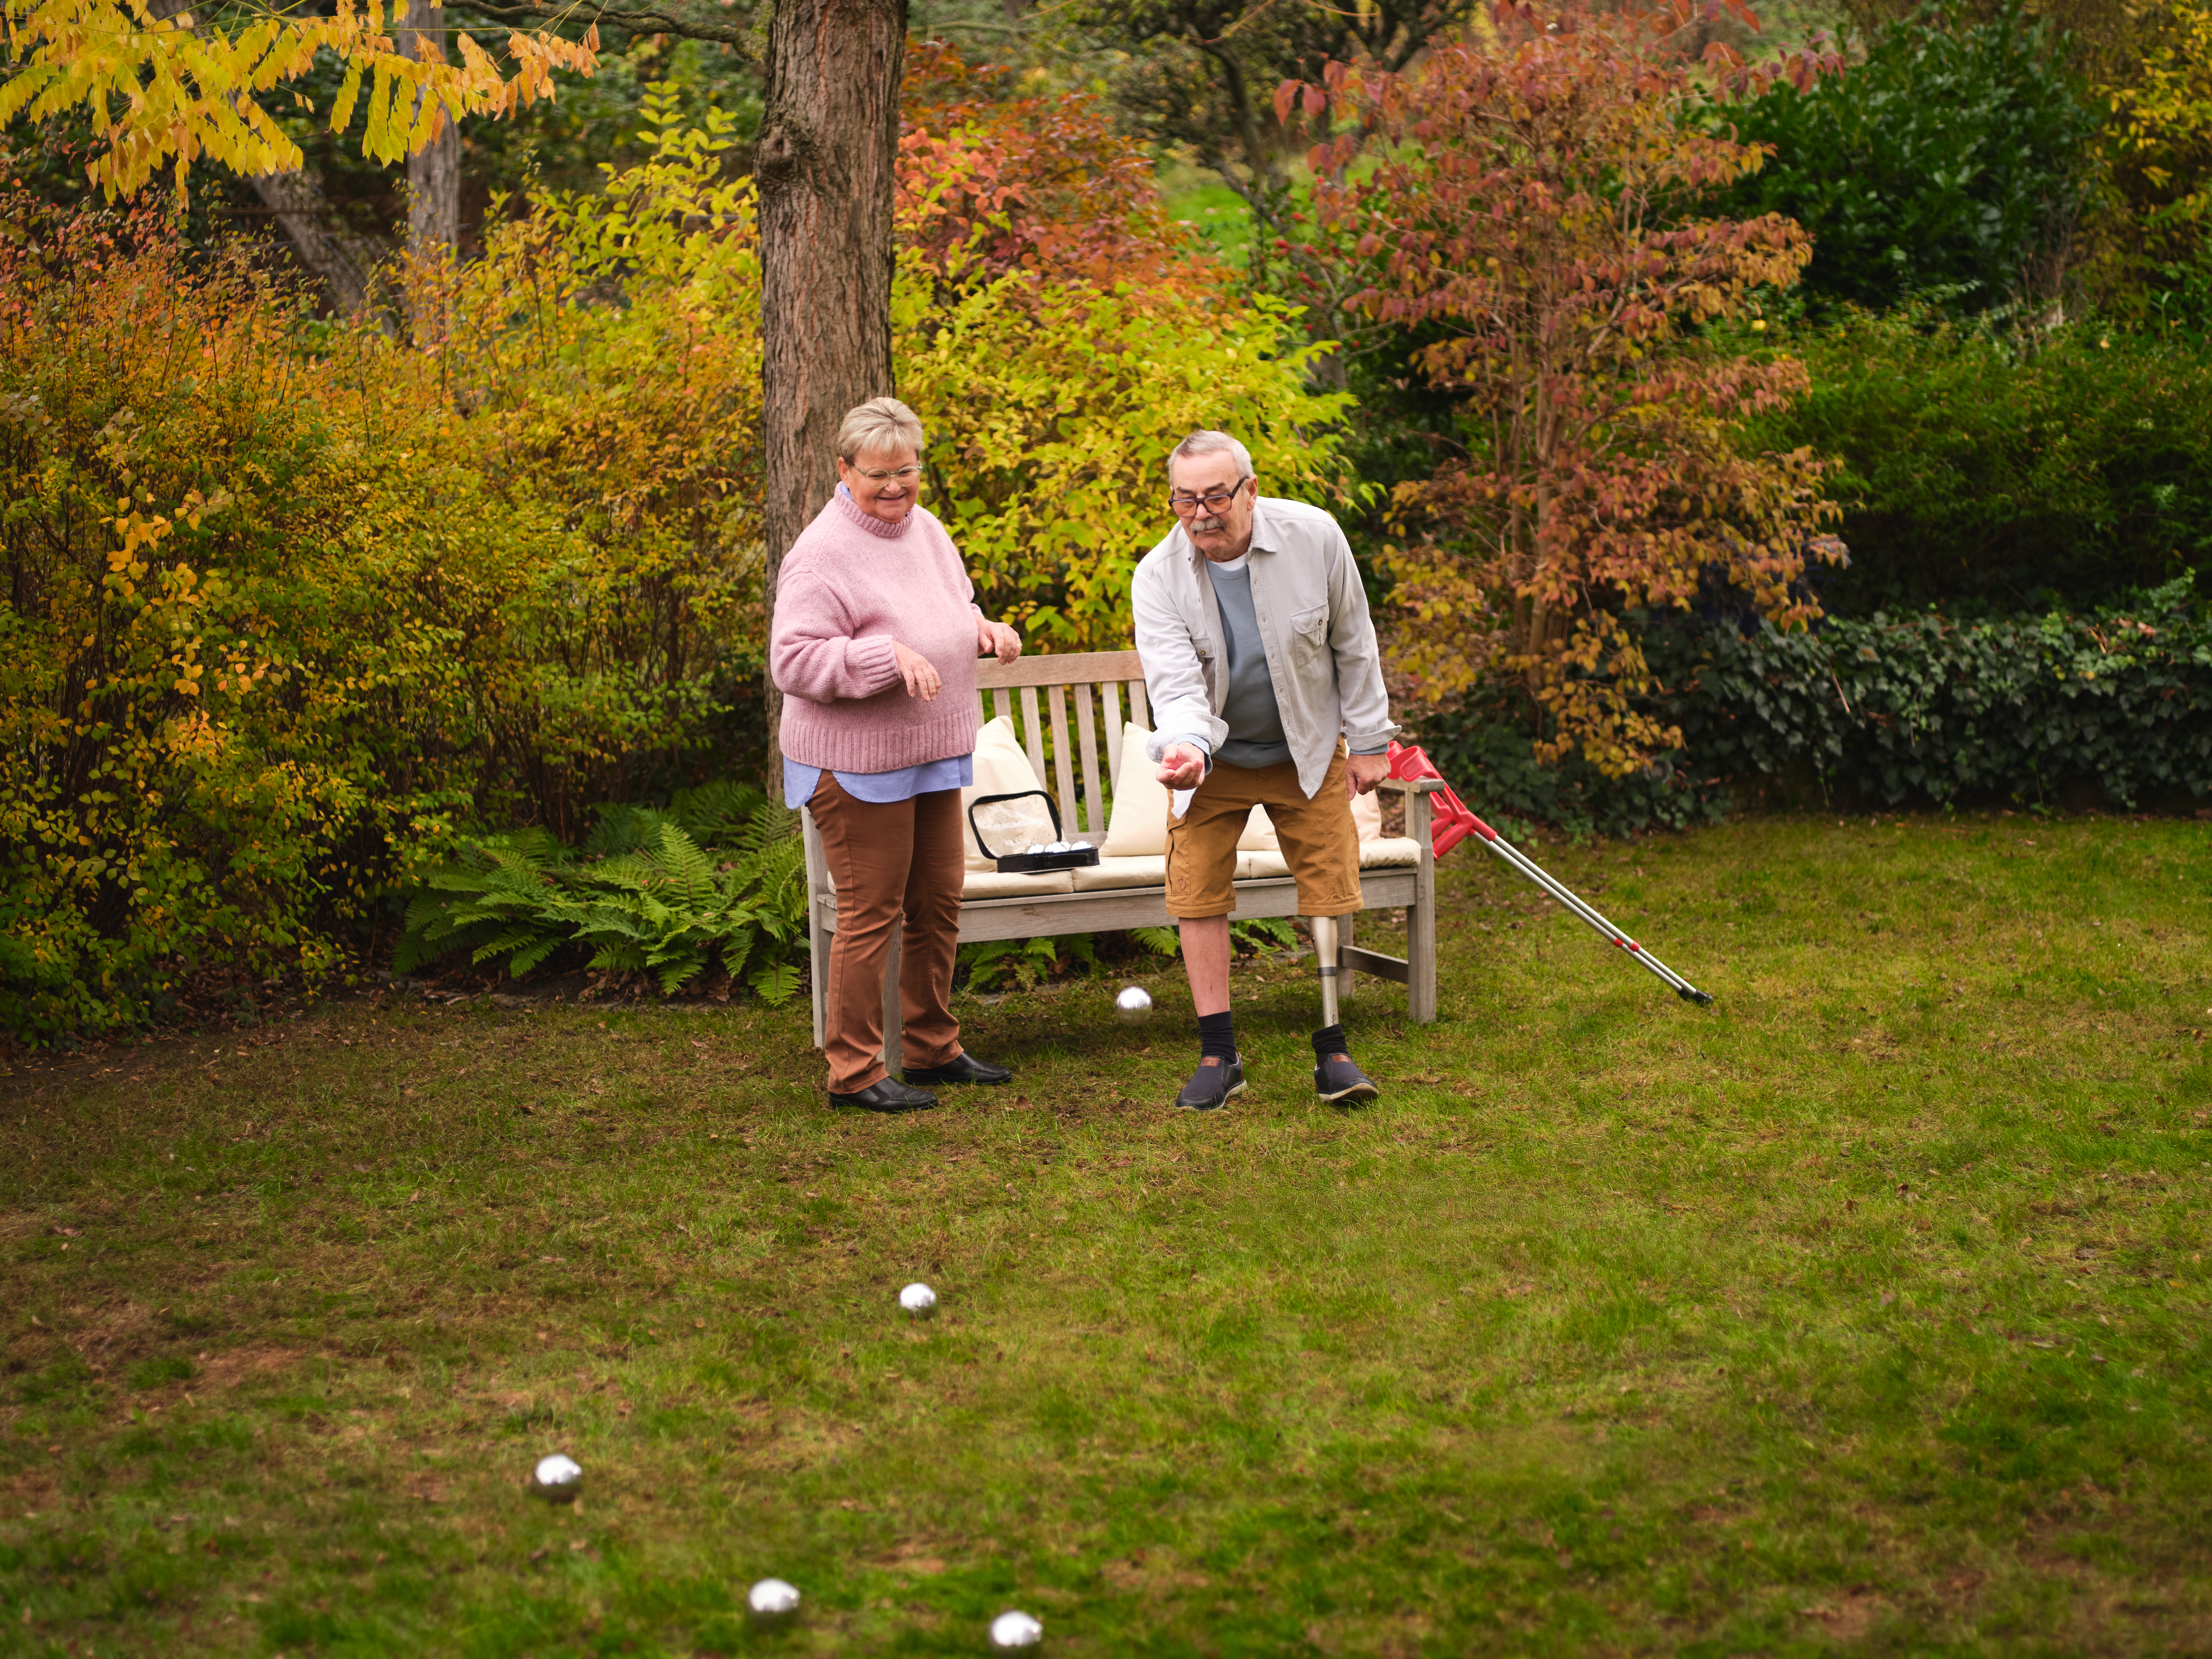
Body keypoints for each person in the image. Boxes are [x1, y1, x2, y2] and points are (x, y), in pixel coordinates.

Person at [1131, 429, 1399, 1110]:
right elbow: (1175, 687)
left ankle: (1334, 1049)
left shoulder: (1315, 537)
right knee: (1196, 892)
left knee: (1329, 885)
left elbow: (1354, 641)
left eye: (1216, 497)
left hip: (1304, 747)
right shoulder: (1157, 576)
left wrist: (1371, 741)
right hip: (1212, 761)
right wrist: (1187, 751)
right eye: (1184, 500)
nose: (1201, 515)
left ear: (1250, 490)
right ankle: (1219, 1056)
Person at [771, 396, 1023, 1113]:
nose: (894, 487)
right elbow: (794, 661)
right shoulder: (819, 555)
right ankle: (853, 1073)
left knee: (937, 902)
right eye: (878, 474)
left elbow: (948, 607)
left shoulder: (928, 530)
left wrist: (981, 629)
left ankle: (932, 1048)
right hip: (857, 766)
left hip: (931, 752)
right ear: (845, 470)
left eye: (905, 471)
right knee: (870, 913)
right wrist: (885, 656)